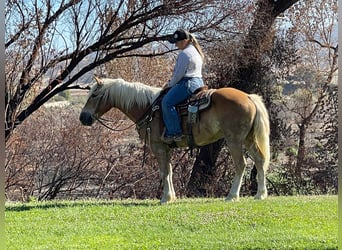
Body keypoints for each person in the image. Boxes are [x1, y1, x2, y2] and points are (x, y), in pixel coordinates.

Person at [161, 29, 205, 143]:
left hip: (187, 83)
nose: (175, 44)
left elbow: (178, 75)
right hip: (199, 82)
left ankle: (175, 133)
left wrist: (169, 85)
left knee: (166, 102)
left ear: (185, 41)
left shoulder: (184, 54)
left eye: (177, 42)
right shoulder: (195, 51)